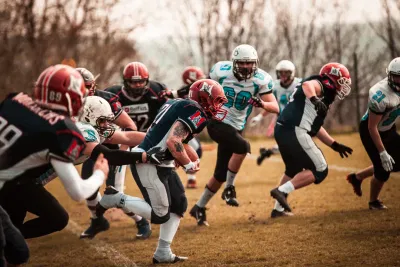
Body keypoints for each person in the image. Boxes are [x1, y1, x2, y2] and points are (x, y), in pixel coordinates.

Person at [97, 79, 228, 263]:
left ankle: (163, 252)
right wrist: (189, 166)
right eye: (215, 100)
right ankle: (117, 198)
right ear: (203, 98)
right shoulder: (195, 111)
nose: (218, 106)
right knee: (159, 214)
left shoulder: (177, 103)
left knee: (179, 205)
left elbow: (178, 140)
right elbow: (173, 142)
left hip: (161, 161)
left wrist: (190, 157)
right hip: (149, 161)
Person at [0, 95, 159, 240]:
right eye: (103, 120)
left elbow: (127, 137)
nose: (107, 125)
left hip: (26, 180)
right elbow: (110, 156)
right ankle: (11, 241)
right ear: (89, 116)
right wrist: (143, 156)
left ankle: (10, 241)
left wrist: (157, 140)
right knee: (55, 219)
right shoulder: (83, 131)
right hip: (20, 180)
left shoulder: (91, 128)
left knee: (13, 227)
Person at [0, 65, 108, 261]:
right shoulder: (60, 130)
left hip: (13, 184)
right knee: (14, 251)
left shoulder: (14, 101)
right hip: (11, 185)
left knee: (17, 251)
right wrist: (100, 173)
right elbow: (78, 192)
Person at [189, 44, 279, 226]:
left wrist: (261, 104)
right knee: (243, 147)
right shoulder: (220, 72)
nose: (246, 67)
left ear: (256, 63)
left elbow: (275, 107)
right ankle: (230, 188)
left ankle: (199, 207)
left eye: (250, 63)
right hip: (217, 121)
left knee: (220, 174)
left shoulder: (261, 79)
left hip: (236, 127)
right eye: (242, 63)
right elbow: (202, 89)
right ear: (233, 63)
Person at [269, 62, 353, 217]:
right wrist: (315, 99)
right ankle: (280, 191)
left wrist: (334, 145)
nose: (343, 87)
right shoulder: (323, 84)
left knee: (292, 170)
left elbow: (316, 127)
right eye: (341, 82)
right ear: (332, 79)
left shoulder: (322, 96)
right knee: (320, 169)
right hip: (295, 129)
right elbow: (308, 85)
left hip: (283, 129)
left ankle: (277, 210)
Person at [76, 67, 149, 239]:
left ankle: (141, 221)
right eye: (78, 86)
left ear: (92, 85)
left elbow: (129, 127)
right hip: (90, 148)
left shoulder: (103, 100)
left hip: (112, 146)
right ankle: (97, 220)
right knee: (89, 189)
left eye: (86, 86)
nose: (83, 90)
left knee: (113, 192)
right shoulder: (70, 103)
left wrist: (123, 152)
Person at [347, 58, 400, 209]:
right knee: (383, 169)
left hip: (388, 127)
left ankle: (357, 178)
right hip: (371, 130)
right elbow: (372, 127)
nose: (399, 81)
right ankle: (373, 202)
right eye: (397, 76)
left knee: (392, 163)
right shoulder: (380, 94)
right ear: (389, 75)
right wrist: (382, 152)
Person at [161, 66, 206, 188]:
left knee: (196, 149)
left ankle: (190, 176)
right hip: (180, 125)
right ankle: (187, 176)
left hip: (190, 125)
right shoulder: (183, 93)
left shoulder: (198, 90)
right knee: (182, 148)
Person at [250, 60, 302, 165]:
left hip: (299, 120)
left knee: (292, 145)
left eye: (286, 72)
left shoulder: (300, 84)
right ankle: (270, 153)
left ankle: (268, 152)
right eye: (280, 72)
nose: (283, 75)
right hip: (283, 121)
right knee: (291, 145)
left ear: (291, 73)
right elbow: (272, 105)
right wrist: (259, 116)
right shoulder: (275, 87)